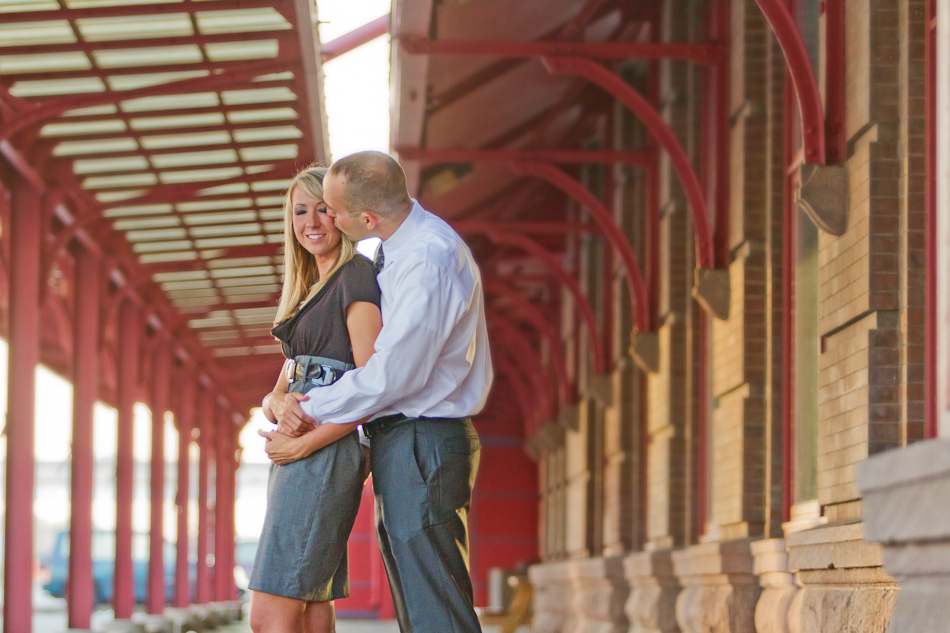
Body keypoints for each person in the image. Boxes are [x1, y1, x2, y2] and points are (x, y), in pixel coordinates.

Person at [273, 151, 493, 633]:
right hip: (407, 441)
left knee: (435, 610)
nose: (326, 219)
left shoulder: (426, 260)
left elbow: (394, 375)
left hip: (423, 439)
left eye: (333, 211)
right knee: (420, 605)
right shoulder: (402, 250)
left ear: (365, 218)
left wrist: (307, 409)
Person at [247, 165, 383, 633]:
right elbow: (282, 386)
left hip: (323, 450)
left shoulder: (357, 276)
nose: (312, 221)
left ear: (343, 215)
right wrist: (276, 404)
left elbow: (373, 387)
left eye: (323, 209)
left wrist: (305, 444)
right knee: (308, 607)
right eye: (300, 211)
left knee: (271, 618)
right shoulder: (309, 292)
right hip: (298, 452)